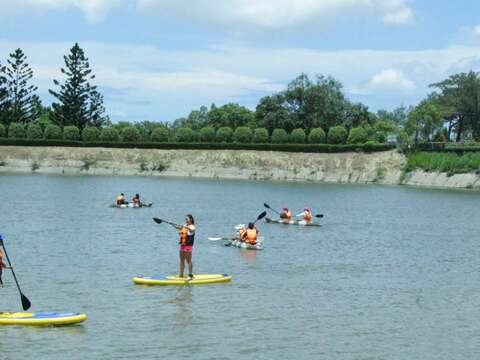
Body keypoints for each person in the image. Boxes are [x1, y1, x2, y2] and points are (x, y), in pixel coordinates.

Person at [175, 214, 196, 279]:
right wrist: (174, 226)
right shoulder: (184, 225)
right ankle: (181, 274)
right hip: (183, 245)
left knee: (188, 260)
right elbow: (180, 228)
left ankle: (190, 275)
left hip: (188, 246)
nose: (186, 220)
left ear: (191, 219)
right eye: (185, 219)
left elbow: (191, 230)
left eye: (187, 219)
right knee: (181, 260)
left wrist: (184, 227)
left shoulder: (192, 226)